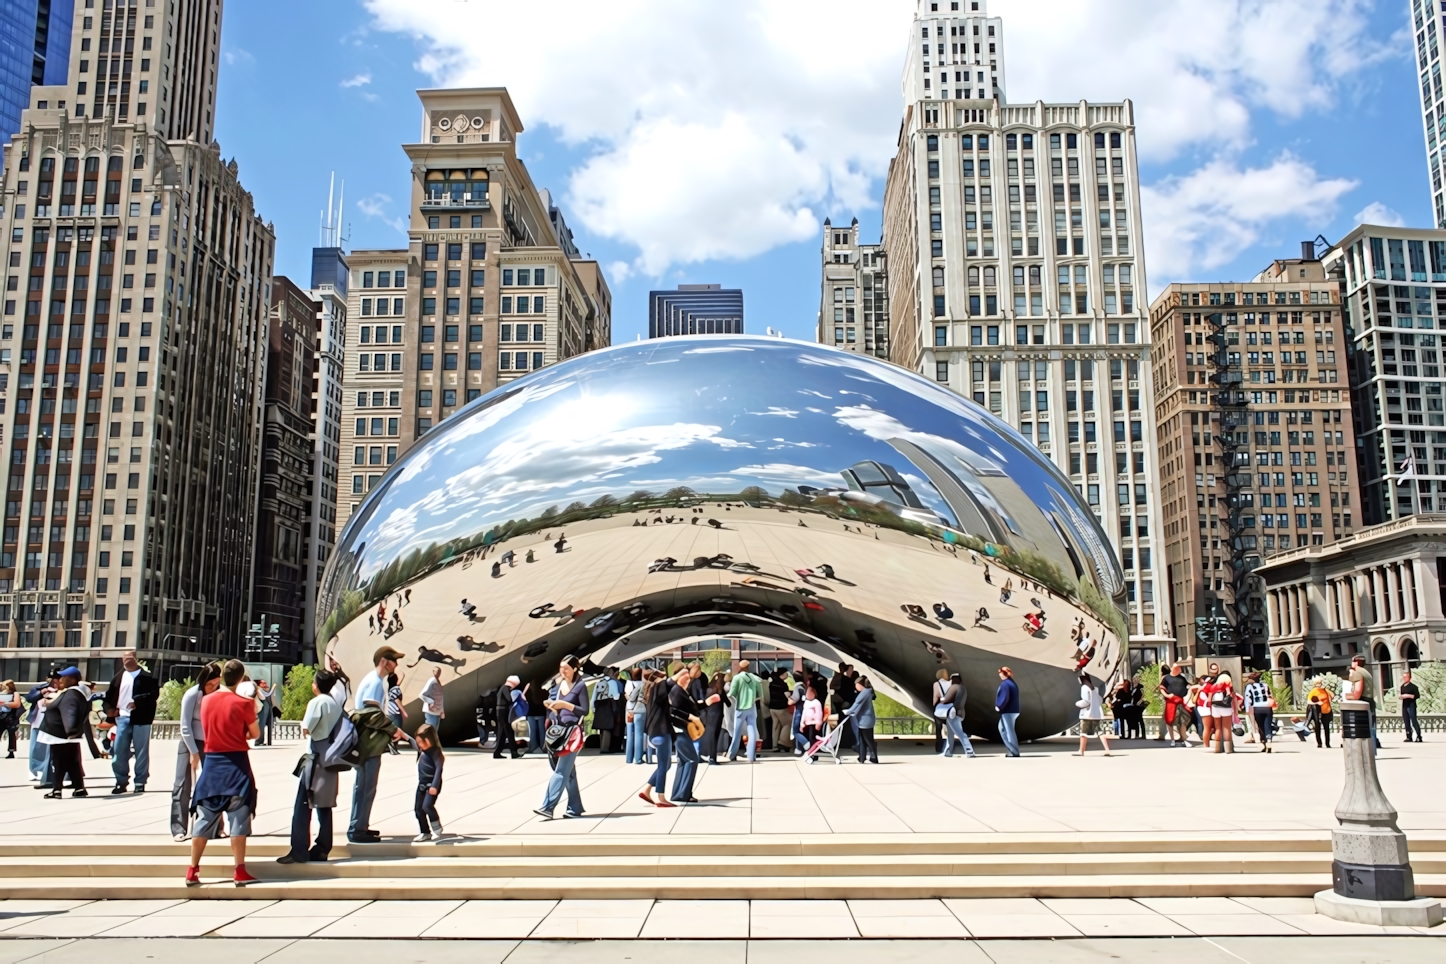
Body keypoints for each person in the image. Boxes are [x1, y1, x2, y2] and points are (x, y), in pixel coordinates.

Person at [186, 659, 260, 887]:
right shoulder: (244, 703)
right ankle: (239, 870)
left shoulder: (206, 701)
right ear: (240, 678)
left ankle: (193, 869)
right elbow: (255, 733)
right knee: (239, 818)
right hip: (237, 764)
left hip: (212, 763)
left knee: (204, 817)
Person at [279, 668, 345, 864]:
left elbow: (306, 729)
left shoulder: (317, 702)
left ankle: (299, 850)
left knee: (302, 804)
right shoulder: (335, 703)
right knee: (324, 806)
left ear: (316, 684)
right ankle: (323, 848)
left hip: (315, 758)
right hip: (331, 758)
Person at [349, 646, 408, 843]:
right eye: (394, 660)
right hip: (368, 742)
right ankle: (357, 828)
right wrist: (393, 730)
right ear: (384, 661)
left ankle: (361, 826)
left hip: (369, 741)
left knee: (366, 786)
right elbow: (372, 714)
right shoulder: (374, 682)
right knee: (365, 786)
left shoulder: (374, 680)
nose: (396, 664)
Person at [172, 663, 221, 841]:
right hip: (190, 742)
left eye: (216, 684)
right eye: (210, 685)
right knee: (183, 785)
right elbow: (185, 725)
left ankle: (212, 827)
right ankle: (179, 828)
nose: (213, 688)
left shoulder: (220, 694)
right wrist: (193, 752)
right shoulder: (192, 694)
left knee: (213, 786)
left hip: (212, 743)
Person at [536, 656, 589, 819]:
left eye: (566, 668)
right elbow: (554, 711)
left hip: (572, 734)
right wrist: (553, 707)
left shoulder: (580, 686)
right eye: (561, 667)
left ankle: (547, 807)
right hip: (557, 732)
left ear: (574, 668)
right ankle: (575, 808)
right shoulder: (558, 686)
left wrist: (565, 705)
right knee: (568, 773)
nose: (562, 671)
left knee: (560, 771)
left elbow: (585, 710)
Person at [103, 650, 159, 794]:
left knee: (141, 752)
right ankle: (120, 781)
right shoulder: (118, 678)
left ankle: (140, 781)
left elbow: (153, 695)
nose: (127, 660)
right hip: (122, 718)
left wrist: (137, 703)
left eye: (130, 657)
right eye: (124, 657)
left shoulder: (147, 677)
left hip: (142, 719)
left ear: (135, 659)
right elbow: (108, 697)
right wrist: (109, 709)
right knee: (119, 751)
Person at [39, 667, 90, 798]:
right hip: (65, 735)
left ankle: (57, 790)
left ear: (72, 679)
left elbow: (70, 713)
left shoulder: (72, 693)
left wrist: (71, 732)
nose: (59, 680)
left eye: (63, 677)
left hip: (61, 735)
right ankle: (79, 788)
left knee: (58, 761)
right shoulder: (72, 692)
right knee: (72, 761)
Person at [670, 666, 716, 794]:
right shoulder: (676, 691)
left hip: (686, 729)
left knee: (684, 761)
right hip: (681, 729)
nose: (688, 679)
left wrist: (707, 702)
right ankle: (683, 793)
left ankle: (679, 793)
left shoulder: (683, 691)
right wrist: (689, 717)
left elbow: (693, 707)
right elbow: (672, 710)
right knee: (691, 760)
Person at [640, 670, 676, 807]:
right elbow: (670, 682)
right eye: (663, 678)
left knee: (665, 765)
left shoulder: (650, 693)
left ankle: (647, 790)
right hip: (662, 732)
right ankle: (661, 797)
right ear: (657, 680)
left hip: (654, 733)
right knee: (663, 765)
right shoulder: (658, 690)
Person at [413, 723, 447, 841]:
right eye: (418, 743)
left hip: (432, 783)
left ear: (429, 740)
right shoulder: (421, 749)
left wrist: (434, 786)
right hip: (422, 783)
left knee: (427, 806)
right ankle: (425, 832)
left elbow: (439, 769)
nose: (419, 745)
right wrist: (402, 735)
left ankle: (436, 826)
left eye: (421, 742)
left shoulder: (436, 752)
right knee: (418, 809)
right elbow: (412, 742)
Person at [727, 659, 763, 762]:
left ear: (740, 667)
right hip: (751, 707)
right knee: (751, 730)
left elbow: (732, 692)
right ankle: (752, 755)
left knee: (736, 732)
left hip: (740, 707)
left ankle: (732, 754)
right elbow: (760, 694)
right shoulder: (755, 678)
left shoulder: (737, 678)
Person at [25, 672, 58, 784]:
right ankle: (35, 769)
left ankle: (51, 770)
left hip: (53, 722)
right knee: (37, 748)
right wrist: (41, 692)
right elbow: (29, 698)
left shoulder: (63, 689)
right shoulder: (39, 688)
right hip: (38, 721)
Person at [1346, 655, 1380, 752]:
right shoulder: (1366, 672)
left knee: (1365, 729)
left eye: (1352, 661)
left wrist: (1347, 696)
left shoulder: (1357, 673)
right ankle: (1373, 750)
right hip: (1370, 701)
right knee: (1371, 727)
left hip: (1363, 702)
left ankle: (1369, 751)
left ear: (1356, 662)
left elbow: (1357, 693)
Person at [940, 672, 975, 758]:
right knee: (950, 734)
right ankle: (947, 751)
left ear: (953, 680)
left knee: (959, 733)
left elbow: (946, 699)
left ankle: (969, 750)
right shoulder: (963, 688)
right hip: (960, 712)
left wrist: (942, 699)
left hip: (953, 713)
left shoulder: (954, 687)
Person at [1075, 673, 1112, 756]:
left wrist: (1077, 704)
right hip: (1096, 714)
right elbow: (1100, 700)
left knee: (1083, 732)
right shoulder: (1095, 689)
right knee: (1100, 732)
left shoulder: (1084, 688)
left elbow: (1086, 701)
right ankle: (1107, 749)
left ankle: (1081, 751)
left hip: (1087, 714)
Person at [846, 676, 878, 764]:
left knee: (868, 740)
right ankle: (862, 757)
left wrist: (848, 711)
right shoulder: (867, 692)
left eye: (856, 684)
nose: (855, 686)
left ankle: (874, 757)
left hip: (865, 720)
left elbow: (857, 704)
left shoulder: (865, 693)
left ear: (861, 685)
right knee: (862, 740)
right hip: (864, 720)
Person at [701, 672, 729, 765]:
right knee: (715, 737)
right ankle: (713, 759)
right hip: (718, 716)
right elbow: (729, 704)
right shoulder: (720, 691)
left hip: (709, 715)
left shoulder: (708, 689)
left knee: (710, 736)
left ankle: (710, 756)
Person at [1159, 664, 1190, 746]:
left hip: (1180, 701)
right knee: (1170, 720)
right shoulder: (1166, 678)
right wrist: (1167, 695)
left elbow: (1187, 687)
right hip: (1171, 701)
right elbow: (1161, 688)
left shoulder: (1182, 678)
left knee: (1182, 720)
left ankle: (1183, 738)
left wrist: (1188, 696)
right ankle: (1172, 739)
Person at [1207, 667, 1237, 754]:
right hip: (1225, 707)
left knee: (1218, 728)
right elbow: (1230, 695)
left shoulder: (1213, 686)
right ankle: (1228, 749)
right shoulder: (1227, 684)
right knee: (1226, 728)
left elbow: (1209, 700)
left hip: (1215, 707)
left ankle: (1217, 748)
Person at [1244, 672, 1274, 753]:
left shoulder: (1249, 687)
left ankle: (1264, 741)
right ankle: (1268, 741)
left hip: (1257, 707)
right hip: (1267, 707)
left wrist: (1247, 709)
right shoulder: (1265, 685)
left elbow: (1248, 698)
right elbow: (1270, 695)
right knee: (1268, 724)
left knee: (1260, 726)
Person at [995, 667, 1021, 757]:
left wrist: (999, 706)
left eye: (1000, 673)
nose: (999, 675)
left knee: (1008, 731)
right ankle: (1012, 749)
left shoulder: (1005, 684)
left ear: (1004, 673)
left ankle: (1014, 751)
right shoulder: (1012, 683)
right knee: (1002, 729)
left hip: (1008, 711)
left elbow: (1004, 697)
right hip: (1013, 710)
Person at [494, 676, 522, 759]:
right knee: (509, 732)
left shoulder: (502, 688)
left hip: (500, 711)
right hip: (504, 712)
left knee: (502, 733)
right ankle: (514, 752)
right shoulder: (505, 688)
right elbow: (509, 699)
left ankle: (497, 752)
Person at [624, 668, 648, 765]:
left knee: (630, 734)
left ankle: (629, 758)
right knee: (639, 735)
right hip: (640, 710)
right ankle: (638, 758)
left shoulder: (629, 683)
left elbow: (630, 697)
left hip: (630, 710)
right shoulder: (645, 684)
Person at [768, 669, 792, 753]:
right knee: (787, 723)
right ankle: (783, 743)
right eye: (785, 674)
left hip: (772, 708)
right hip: (781, 707)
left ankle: (774, 745)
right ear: (780, 675)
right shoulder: (783, 684)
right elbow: (787, 695)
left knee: (776, 726)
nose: (787, 675)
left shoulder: (771, 684)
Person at [1306, 679, 1333, 748]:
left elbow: (1332, 696)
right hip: (1318, 712)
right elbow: (1309, 702)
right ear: (1314, 684)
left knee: (1326, 728)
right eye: (1317, 683)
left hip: (1327, 711)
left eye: (1320, 683)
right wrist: (1317, 703)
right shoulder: (1313, 691)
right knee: (1317, 727)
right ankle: (1319, 743)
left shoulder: (1324, 690)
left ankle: (1327, 743)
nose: (1319, 685)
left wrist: (1326, 689)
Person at [523, 680, 548, 754]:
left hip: (531, 713)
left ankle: (532, 746)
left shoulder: (528, 693)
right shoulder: (543, 692)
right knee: (542, 731)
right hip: (541, 713)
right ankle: (543, 747)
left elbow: (523, 698)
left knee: (532, 731)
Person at [931, 669, 950, 754]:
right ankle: (949, 746)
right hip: (950, 706)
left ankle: (939, 747)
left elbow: (936, 696)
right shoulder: (951, 683)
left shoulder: (936, 684)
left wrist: (934, 705)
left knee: (939, 729)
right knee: (951, 728)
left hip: (940, 707)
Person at [1400, 671, 1423, 743]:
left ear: (1409, 678)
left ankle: (1419, 736)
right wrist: (1402, 697)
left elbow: (1417, 696)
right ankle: (1409, 736)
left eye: (1406, 677)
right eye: (1403, 677)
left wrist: (1408, 695)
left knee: (1413, 720)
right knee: (1406, 721)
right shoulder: (1402, 687)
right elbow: (1402, 695)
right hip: (1405, 705)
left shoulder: (1413, 687)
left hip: (1411, 705)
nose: (1405, 678)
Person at [0, 680, 20, 759]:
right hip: (1, 715)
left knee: (12, 735)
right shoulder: (2, 693)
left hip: (11, 716)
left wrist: (5, 703)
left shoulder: (15, 694)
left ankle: (11, 751)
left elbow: (17, 704)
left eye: (6, 686)